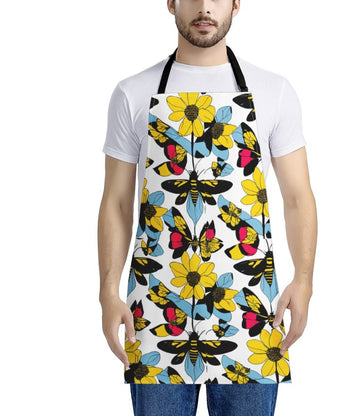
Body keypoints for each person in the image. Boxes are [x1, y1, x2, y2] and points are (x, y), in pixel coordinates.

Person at [98, 0, 317, 415]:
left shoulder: (274, 90)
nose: (204, 7)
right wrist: (107, 291)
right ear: (171, 3)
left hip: (250, 312)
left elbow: (298, 197)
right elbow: (116, 202)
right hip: (156, 310)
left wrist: (303, 280)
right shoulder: (132, 92)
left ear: (236, 4)